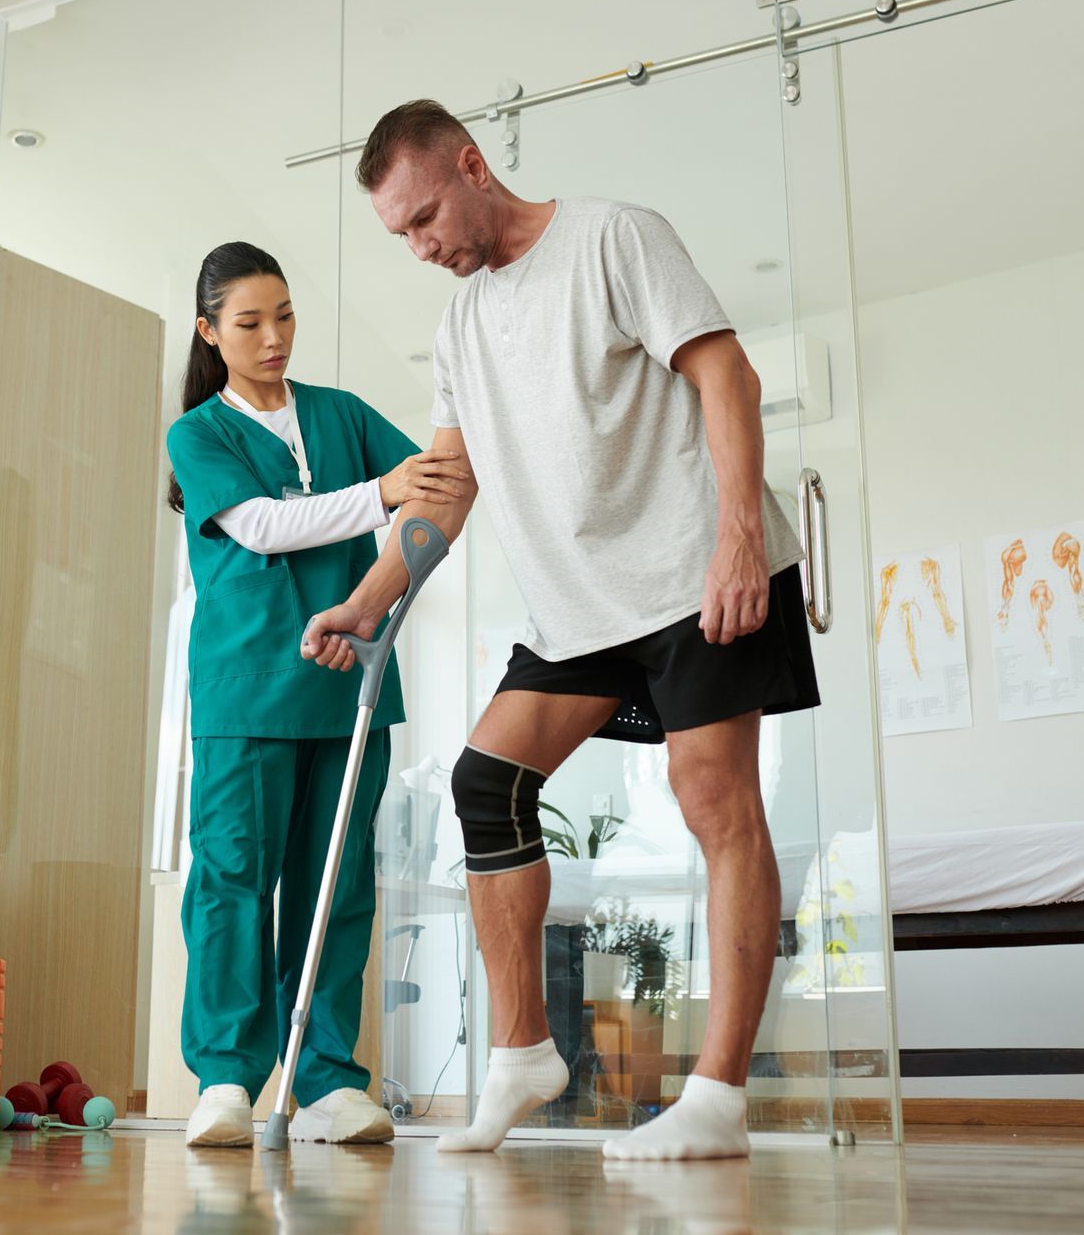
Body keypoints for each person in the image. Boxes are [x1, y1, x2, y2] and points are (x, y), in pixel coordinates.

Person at [300, 102, 819, 1161]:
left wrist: (734, 539)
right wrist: (364, 599)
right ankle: (522, 1050)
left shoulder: (614, 237)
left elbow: (727, 373)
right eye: (398, 233)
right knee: (486, 780)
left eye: (426, 215)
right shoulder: (458, 327)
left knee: (714, 798)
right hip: (580, 606)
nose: (421, 245)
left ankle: (717, 1098)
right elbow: (447, 489)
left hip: (688, 570)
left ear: (475, 165)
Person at [165, 241, 472, 1148]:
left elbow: (442, 492)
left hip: (350, 692)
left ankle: (329, 1080)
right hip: (245, 691)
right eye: (251, 322)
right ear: (210, 332)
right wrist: (379, 493)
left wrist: (379, 601)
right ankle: (225, 1078)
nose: (274, 338)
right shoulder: (201, 433)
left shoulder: (340, 413)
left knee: (334, 890)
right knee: (231, 883)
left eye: (285, 316)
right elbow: (260, 526)